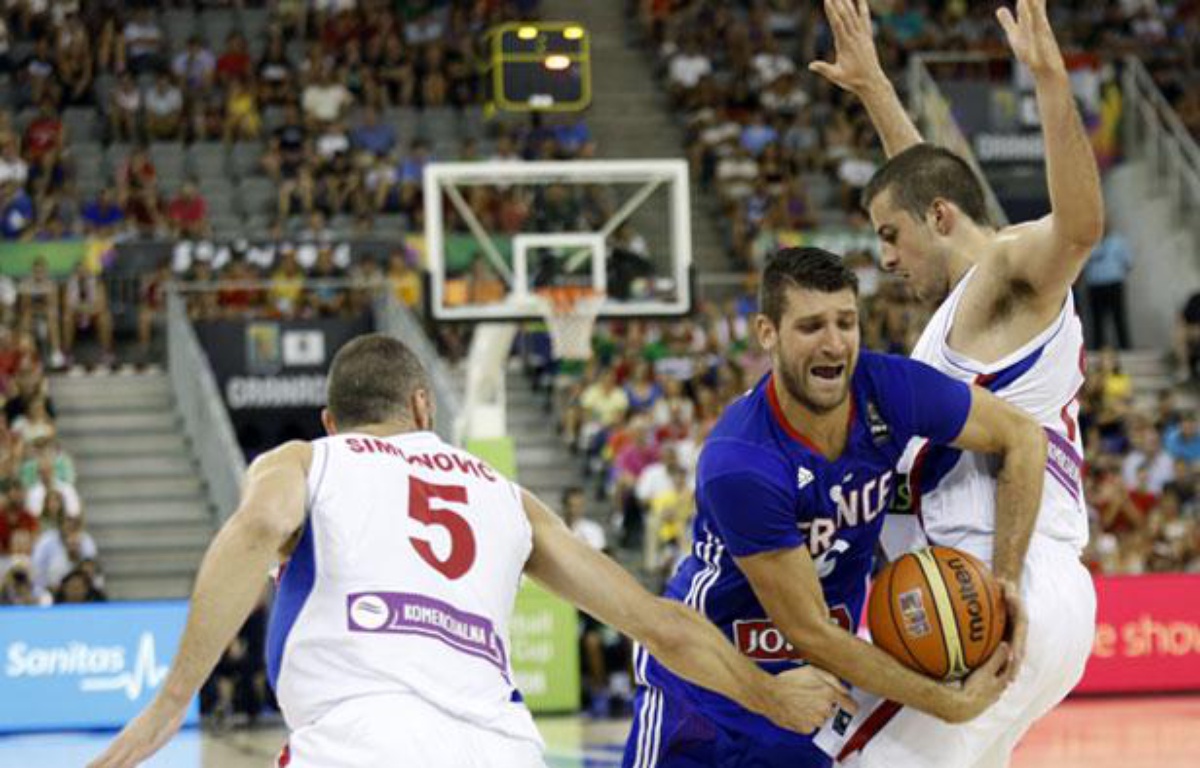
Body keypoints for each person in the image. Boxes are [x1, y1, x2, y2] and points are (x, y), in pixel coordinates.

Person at [89, 334, 852, 768]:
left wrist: (165, 712)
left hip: (363, 741)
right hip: (502, 747)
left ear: (332, 420)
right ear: (425, 407)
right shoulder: (505, 494)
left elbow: (256, 528)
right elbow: (660, 623)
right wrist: (774, 695)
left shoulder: (307, 460)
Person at [808, 0, 1102, 765]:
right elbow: (923, 187)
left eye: (888, 238)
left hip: (993, 585)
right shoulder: (963, 311)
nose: (886, 258)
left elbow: (1078, 229)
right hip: (1019, 595)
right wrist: (875, 88)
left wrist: (1049, 83)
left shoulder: (1010, 272)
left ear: (937, 220)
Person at [622, 248, 1044, 768]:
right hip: (709, 686)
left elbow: (1023, 437)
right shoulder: (742, 461)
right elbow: (810, 631)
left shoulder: (889, 389)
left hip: (817, 695)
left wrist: (1004, 583)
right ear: (767, 333)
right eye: (811, 326)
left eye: (846, 322)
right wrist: (949, 704)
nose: (833, 342)